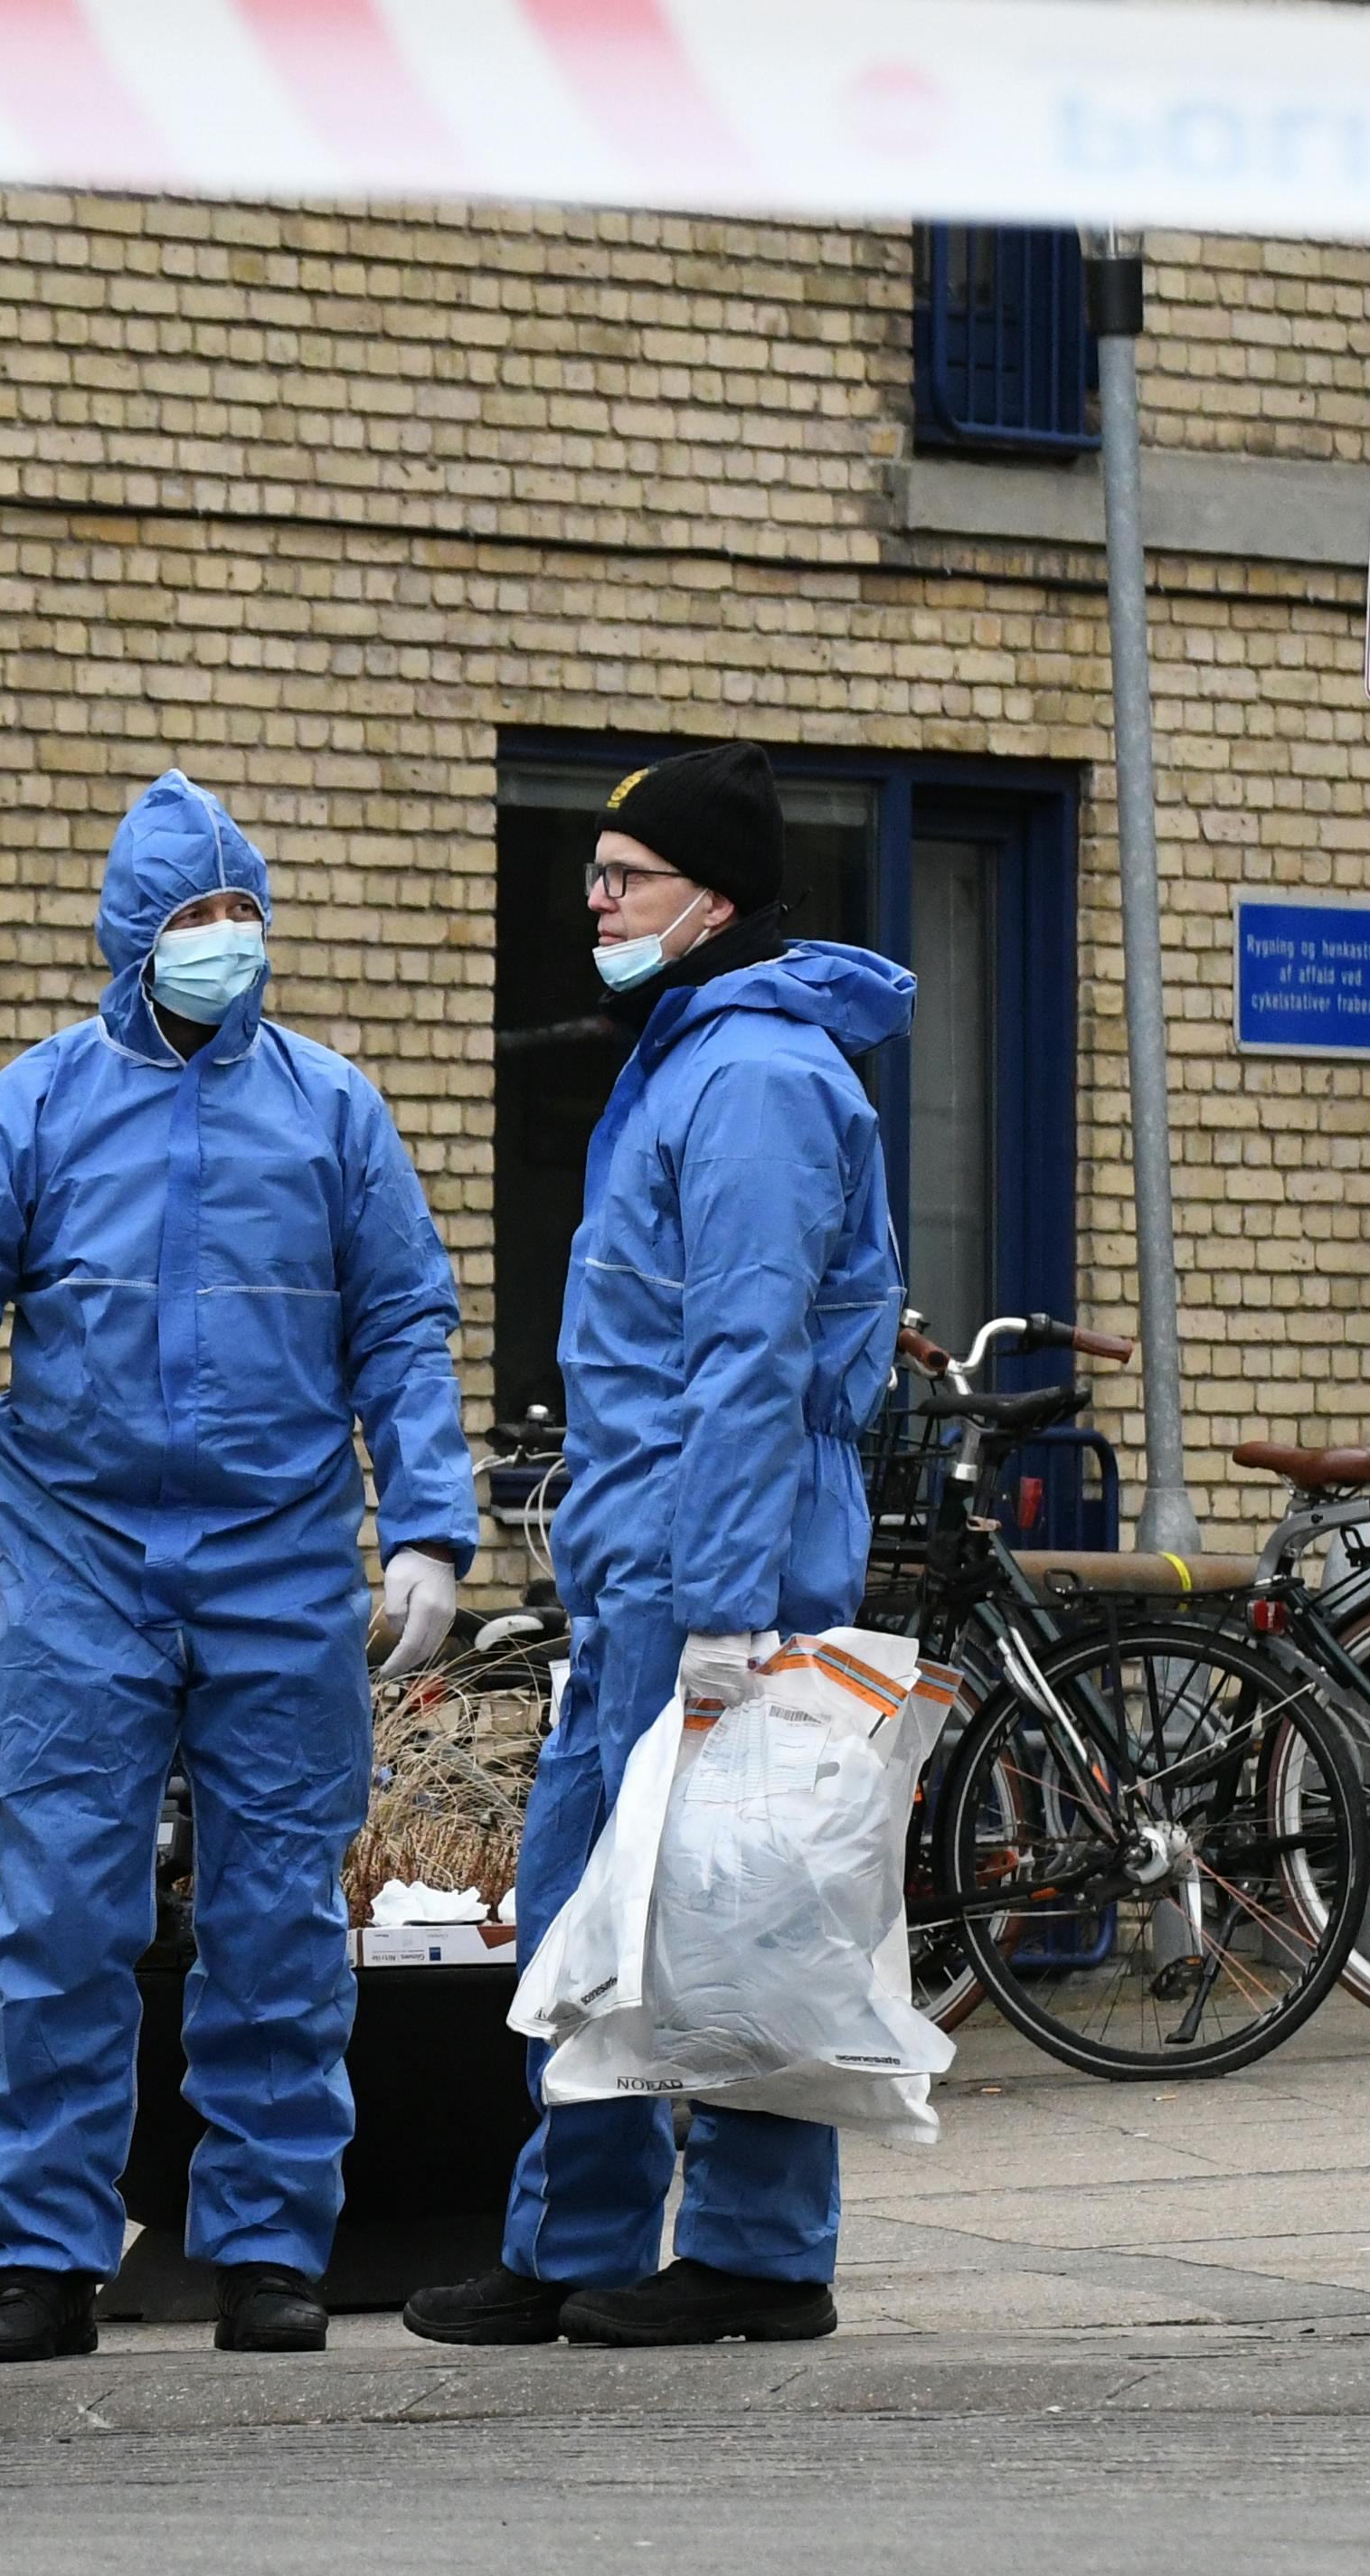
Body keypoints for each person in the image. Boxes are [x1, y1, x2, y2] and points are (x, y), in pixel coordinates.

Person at [0, 769, 481, 2364]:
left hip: (278, 1558)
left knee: (278, 1911)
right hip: (83, 1560)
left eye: (242, 913)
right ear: (135, 937)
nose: (230, 941)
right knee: (59, 1910)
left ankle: (269, 2248)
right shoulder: (43, 1102)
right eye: (199, 918)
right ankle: (42, 2261)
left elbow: (405, 1328)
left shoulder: (331, 1109)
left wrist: (424, 1523)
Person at [405, 741, 909, 2351]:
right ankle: (581, 2240)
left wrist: (720, 1606)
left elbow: (752, 1360)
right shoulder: (692, 1052)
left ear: (715, 901)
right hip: (654, 1550)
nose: (595, 903)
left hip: (717, 1557)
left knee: (740, 1902)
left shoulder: (754, 1078)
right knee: (594, 1904)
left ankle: (758, 2256)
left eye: (625, 879)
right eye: (595, 878)